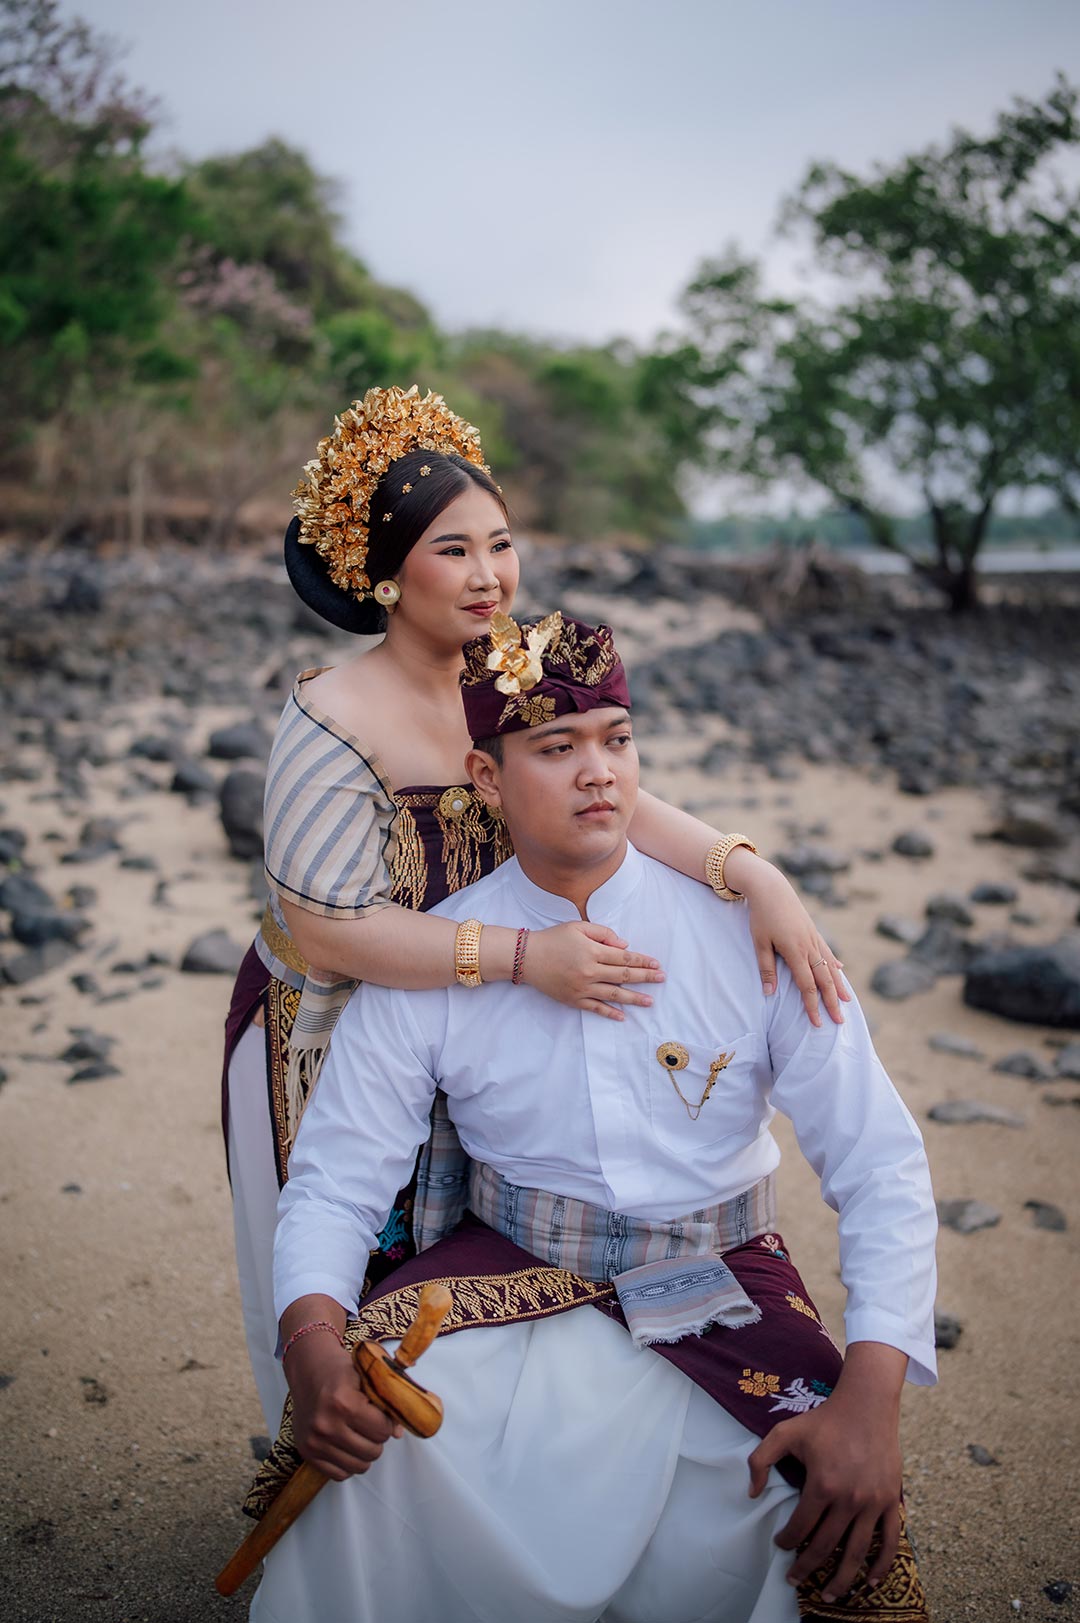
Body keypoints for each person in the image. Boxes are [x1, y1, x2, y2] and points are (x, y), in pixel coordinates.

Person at [247, 611, 937, 1623]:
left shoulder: (752, 935)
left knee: (834, 1523)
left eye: (617, 739)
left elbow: (880, 1164)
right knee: (359, 1460)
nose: (599, 773)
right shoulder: (442, 957)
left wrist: (872, 1400)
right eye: (557, 747)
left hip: (723, 1275)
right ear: (486, 778)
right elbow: (337, 1180)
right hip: (510, 1270)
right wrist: (309, 1340)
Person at [223, 385, 851, 1435]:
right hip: (335, 1020)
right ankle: (330, 1457)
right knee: (343, 1256)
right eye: (453, 550)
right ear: (383, 571)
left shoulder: (508, 667)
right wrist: (525, 957)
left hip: (478, 1007)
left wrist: (754, 876)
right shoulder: (331, 714)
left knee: (469, 1248)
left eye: (501, 544)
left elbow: (613, 791)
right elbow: (330, 927)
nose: (490, 575)